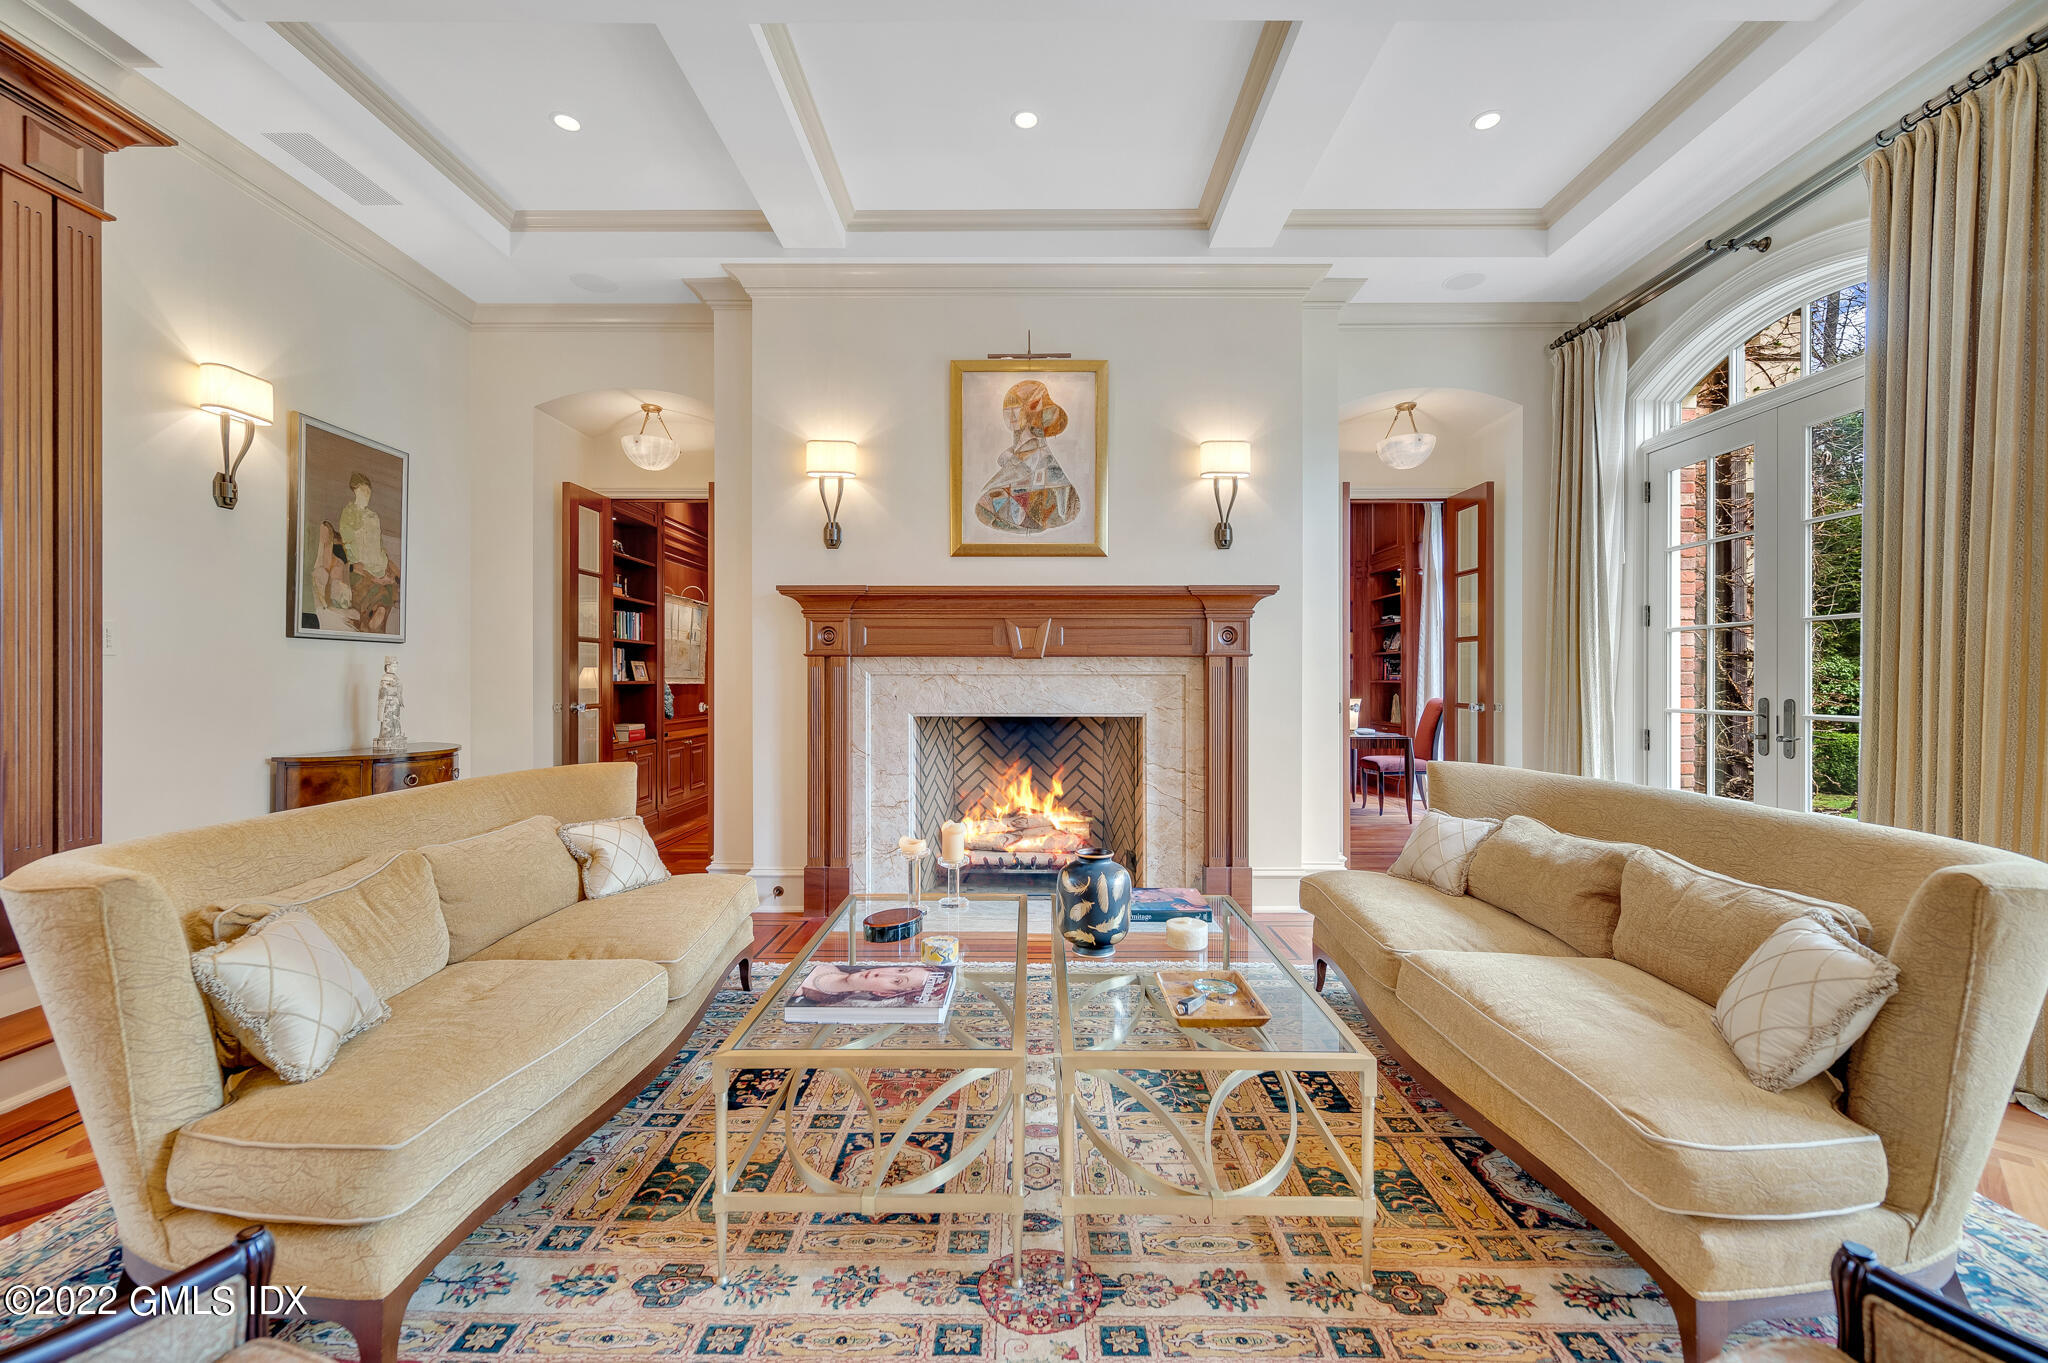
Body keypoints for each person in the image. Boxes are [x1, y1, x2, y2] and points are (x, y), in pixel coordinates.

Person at [974, 379, 1079, 534]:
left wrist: (1009, 461)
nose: (1011, 415)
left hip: (1044, 495)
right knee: (986, 505)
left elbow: (1029, 464)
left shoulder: (1035, 443)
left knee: (986, 505)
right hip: (1027, 489)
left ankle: (1030, 523)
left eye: (1017, 407)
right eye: (1008, 409)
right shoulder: (1020, 442)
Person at [338, 471, 399, 633]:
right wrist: (377, 579)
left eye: (369, 492)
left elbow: (379, 547)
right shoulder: (349, 513)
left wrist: (388, 573)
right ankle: (370, 626)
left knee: (386, 598)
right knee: (376, 599)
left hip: (380, 570)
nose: (367, 495)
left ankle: (373, 626)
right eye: (364, 491)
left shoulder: (374, 516)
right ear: (355, 490)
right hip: (363, 573)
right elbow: (350, 549)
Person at [796, 962, 937, 1007]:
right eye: (900, 970)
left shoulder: (804, 999)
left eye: (896, 981)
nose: (882, 973)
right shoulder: (825, 966)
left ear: (884, 994)